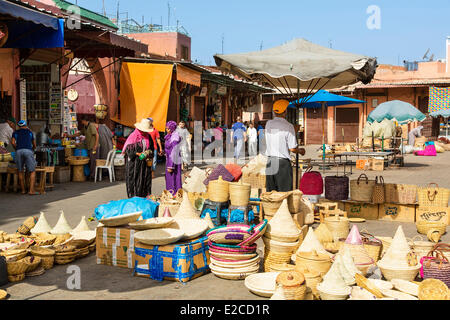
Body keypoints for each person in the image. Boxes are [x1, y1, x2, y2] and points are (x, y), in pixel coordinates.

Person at [265, 100, 305, 192]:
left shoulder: (268, 124)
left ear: (274, 112)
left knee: (271, 193)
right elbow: (292, 148)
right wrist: (301, 151)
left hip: (270, 161)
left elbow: (277, 138)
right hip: (282, 164)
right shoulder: (288, 126)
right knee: (284, 193)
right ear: (285, 112)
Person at [122, 118, 154, 198]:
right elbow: (128, 151)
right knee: (134, 183)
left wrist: (148, 152)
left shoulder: (148, 137)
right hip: (134, 165)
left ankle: (144, 202)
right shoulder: (133, 137)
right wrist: (137, 153)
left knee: (144, 183)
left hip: (144, 165)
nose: (145, 132)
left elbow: (152, 148)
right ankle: (134, 202)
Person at [11, 120, 38, 195]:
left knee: (20, 171)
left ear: (18, 126)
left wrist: (17, 148)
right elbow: (34, 144)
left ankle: (23, 190)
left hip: (19, 151)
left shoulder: (15, 132)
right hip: (28, 151)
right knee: (32, 171)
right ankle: (31, 190)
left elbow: (13, 142)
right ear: (25, 125)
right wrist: (32, 149)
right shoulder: (30, 132)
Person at [164, 121, 182, 196]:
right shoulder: (170, 136)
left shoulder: (175, 138)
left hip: (173, 161)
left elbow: (174, 151)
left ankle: (174, 195)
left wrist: (171, 165)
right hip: (169, 159)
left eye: (168, 129)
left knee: (173, 180)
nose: (166, 130)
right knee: (169, 179)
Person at [79, 116, 100, 180]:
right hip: (89, 147)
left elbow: (97, 135)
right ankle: (91, 175)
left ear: (85, 120)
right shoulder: (85, 127)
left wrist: (95, 145)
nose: (81, 122)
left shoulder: (91, 126)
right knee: (90, 161)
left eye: (82, 121)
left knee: (93, 162)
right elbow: (80, 133)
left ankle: (93, 176)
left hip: (93, 146)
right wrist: (70, 135)